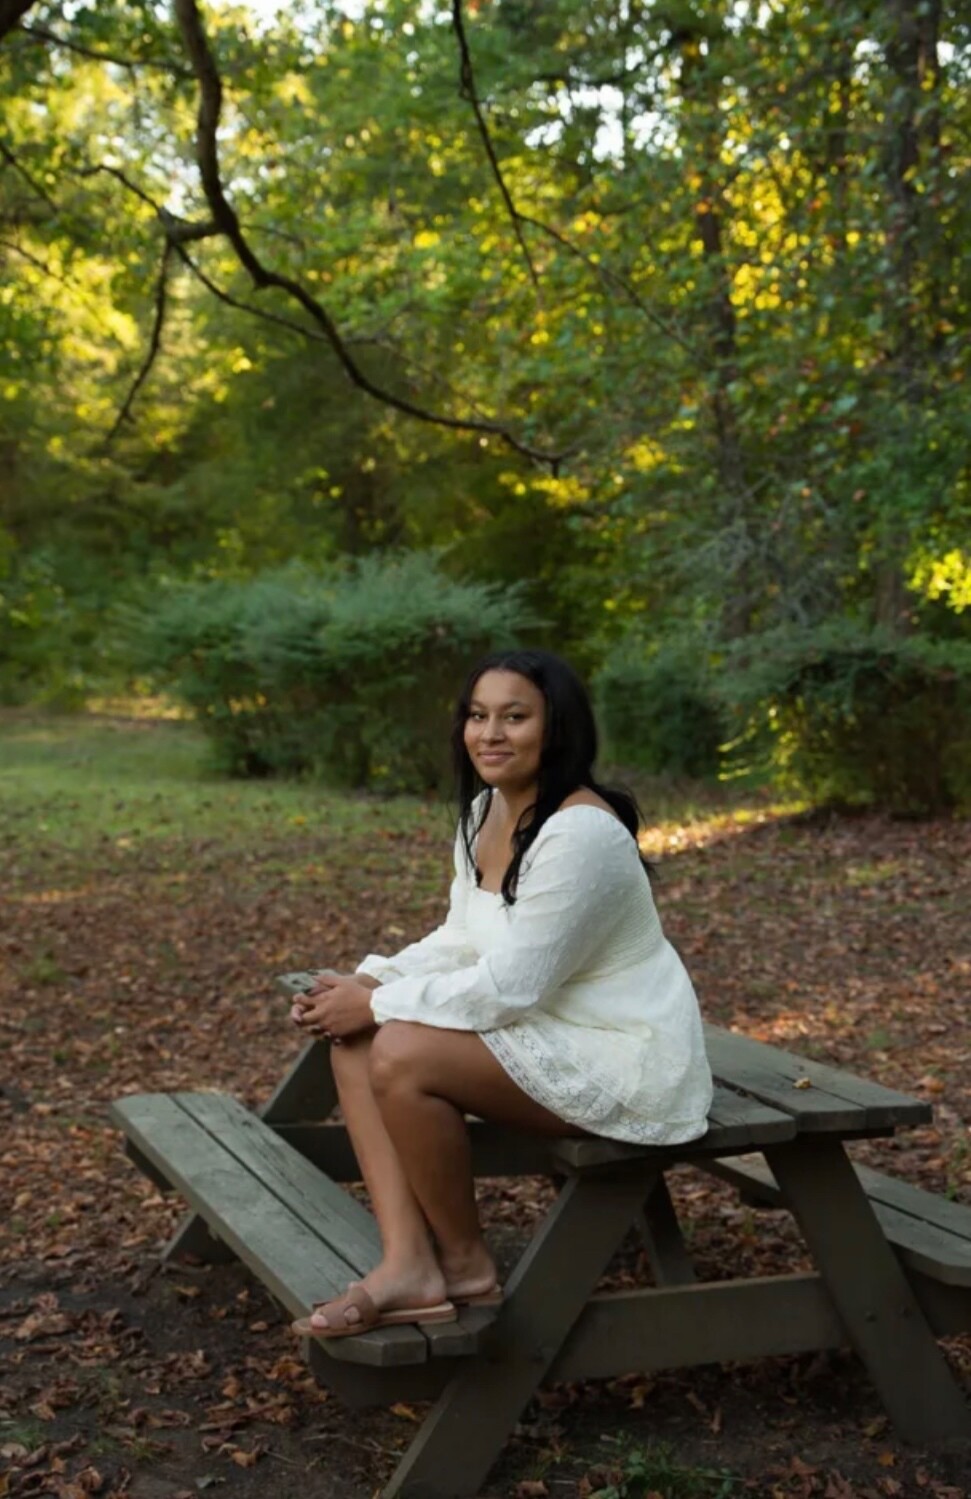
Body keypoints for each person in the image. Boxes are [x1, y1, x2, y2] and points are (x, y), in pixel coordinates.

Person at [288, 649, 713, 1339]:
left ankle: (464, 1265)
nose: (490, 733)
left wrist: (376, 1003)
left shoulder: (580, 832)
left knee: (398, 1049)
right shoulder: (486, 810)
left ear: (556, 727)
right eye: (477, 715)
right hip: (546, 1021)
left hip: (622, 1054)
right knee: (357, 1041)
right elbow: (463, 936)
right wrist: (372, 980)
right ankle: (408, 1263)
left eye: (514, 717)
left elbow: (510, 986)